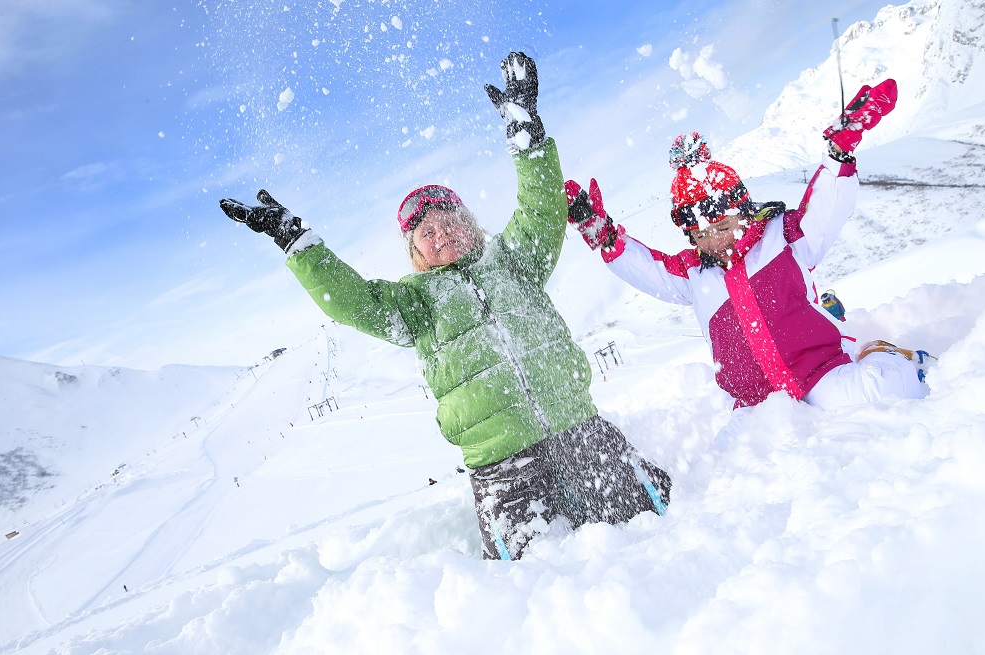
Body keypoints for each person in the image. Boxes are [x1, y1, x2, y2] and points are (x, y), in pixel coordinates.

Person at [219, 52, 671, 560]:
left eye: (449, 221)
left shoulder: (513, 258)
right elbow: (353, 302)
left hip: (577, 430)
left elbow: (542, 210)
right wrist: (298, 245)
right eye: (425, 234)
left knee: (650, 529)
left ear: (470, 223)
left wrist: (527, 138)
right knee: (534, 579)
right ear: (414, 253)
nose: (440, 236)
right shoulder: (415, 303)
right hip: (502, 465)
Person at [567, 78, 930, 410]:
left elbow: (825, 212)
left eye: (722, 226)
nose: (714, 240)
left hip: (819, 375)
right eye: (701, 234)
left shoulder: (783, 238)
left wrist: (838, 154)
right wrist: (602, 234)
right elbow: (647, 269)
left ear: (743, 211)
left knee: (880, 391)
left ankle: (887, 356)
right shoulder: (694, 274)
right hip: (757, 407)